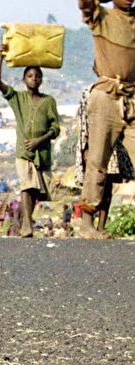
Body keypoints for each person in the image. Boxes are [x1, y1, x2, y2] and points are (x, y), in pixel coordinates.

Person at [78, 0, 135, 238]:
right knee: (97, 160)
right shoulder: (101, 15)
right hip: (105, 96)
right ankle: (87, 224)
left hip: (132, 96)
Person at [0, 44, 60, 238]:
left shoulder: (48, 101)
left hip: (42, 154)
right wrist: (0, 57)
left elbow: (55, 128)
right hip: (23, 153)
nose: (34, 79)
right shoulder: (17, 98)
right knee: (26, 186)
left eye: (37, 76)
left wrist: (40, 140)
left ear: (41, 80)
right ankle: (27, 225)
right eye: (30, 76)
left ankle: (26, 221)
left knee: (36, 191)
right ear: (24, 79)